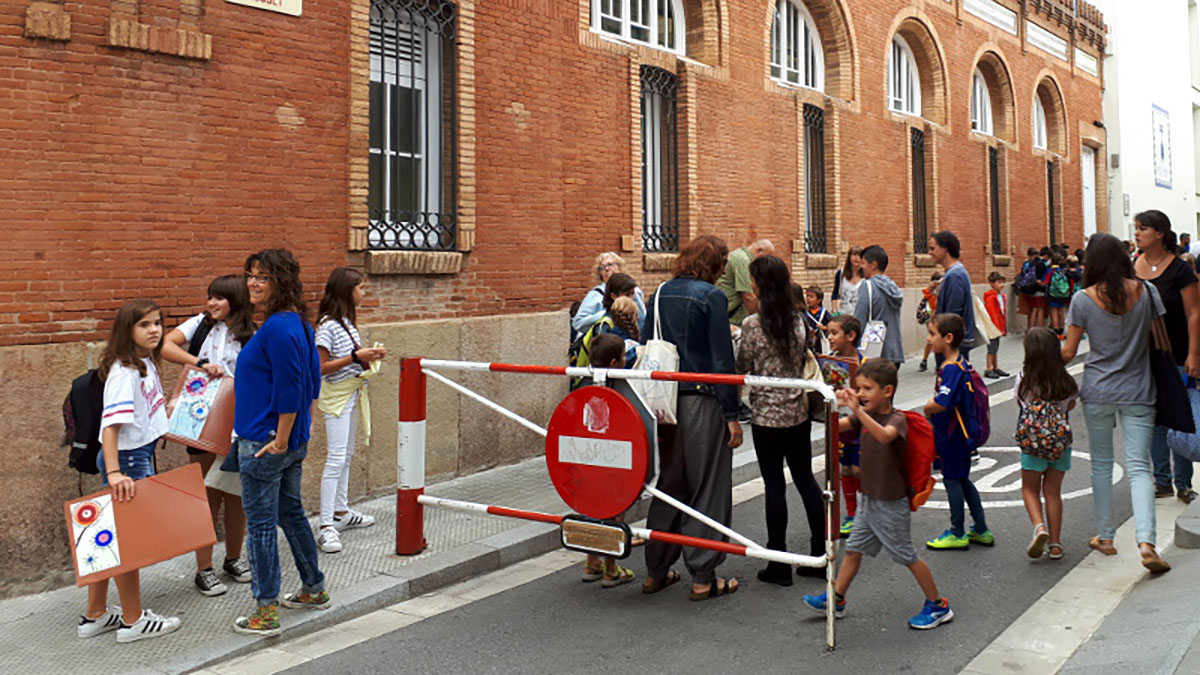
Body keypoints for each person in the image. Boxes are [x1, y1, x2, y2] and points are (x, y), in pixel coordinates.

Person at [802, 360, 954, 630]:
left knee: (907, 555)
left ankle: (938, 604)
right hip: (868, 500)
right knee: (853, 551)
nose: (860, 393)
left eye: (867, 389)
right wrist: (831, 402)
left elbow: (884, 436)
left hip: (890, 503)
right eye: (858, 388)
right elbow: (835, 425)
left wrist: (858, 411)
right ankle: (836, 599)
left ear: (887, 391)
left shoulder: (897, 419)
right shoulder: (863, 417)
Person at [1061, 233, 1170, 573]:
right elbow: (1162, 341)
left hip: (1098, 391)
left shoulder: (1082, 299)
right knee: (1139, 467)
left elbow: (1068, 352)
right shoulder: (1148, 292)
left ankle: (1106, 537)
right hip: (1139, 390)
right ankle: (1147, 542)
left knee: (1102, 465)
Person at [232, 249, 328, 635]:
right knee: (291, 514)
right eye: (250, 275)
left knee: (260, 527)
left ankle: (265, 611)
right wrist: (298, 432)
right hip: (285, 439)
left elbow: (293, 388)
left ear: (281, 282)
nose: (253, 283)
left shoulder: (279, 329)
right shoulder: (298, 325)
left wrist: (282, 439)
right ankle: (314, 588)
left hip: (266, 441)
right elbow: (312, 381)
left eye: (263, 277)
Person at [641, 235, 742, 601]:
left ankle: (655, 569)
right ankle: (702, 575)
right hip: (702, 401)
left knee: (670, 484)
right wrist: (732, 414)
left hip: (662, 401)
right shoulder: (711, 297)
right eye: (723, 263)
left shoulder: (661, 292)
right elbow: (721, 362)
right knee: (708, 486)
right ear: (713, 263)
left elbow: (644, 345)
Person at [78, 300, 182, 643]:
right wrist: (114, 473)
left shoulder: (144, 363)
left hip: (134, 456)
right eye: (144, 325)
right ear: (128, 331)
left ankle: (95, 615)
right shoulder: (126, 371)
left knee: (108, 538)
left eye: (157, 323)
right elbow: (111, 427)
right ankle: (133, 620)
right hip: (127, 461)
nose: (154, 330)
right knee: (128, 544)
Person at [161, 275, 255, 597]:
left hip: (238, 416)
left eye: (219, 298)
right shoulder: (199, 324)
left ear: (237, 301)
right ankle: (203, 568)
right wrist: (199, 363)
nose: (211, 303)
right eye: (210, 297)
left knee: (236, 494)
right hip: (200, 413)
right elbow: (166, 345)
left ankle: (233, 558)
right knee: (206, 493)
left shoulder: (252, 331)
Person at [735, 255, 825, 586]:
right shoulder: (799, 320)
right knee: (805, 479)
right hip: (797, 411)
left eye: (753, 279)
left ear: (761, 283)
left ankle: (779, 562)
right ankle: (819, 555)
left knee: (774, 484)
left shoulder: (752, 324)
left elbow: (742, 365)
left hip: (765, 416)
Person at [314, 267, 388, 554]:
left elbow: (346, 359)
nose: (364, 292)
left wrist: (365, 357)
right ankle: (325, 526)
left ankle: (341, 512)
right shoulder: (329, 326)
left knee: (346, 455)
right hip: (336, 397)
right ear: (347, 290)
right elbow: (319, 367)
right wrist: (357, 356)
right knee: (335, 458)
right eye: (360, 287)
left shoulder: (346, 323)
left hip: (352, 393)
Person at [1133, 210, 1200, 504]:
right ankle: (1161, 480)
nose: (1137, 233)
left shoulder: (1180, 270)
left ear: (1159, 233)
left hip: (1178, 354)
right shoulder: (1133, 266)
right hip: (1145, 356)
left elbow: (1194, 313)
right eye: (1136, 228)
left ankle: (1183, 482)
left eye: (1142, 229)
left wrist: (1195, 354)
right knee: (1154, 419)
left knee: (1179, 417)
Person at [924, 314, 994, 550]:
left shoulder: (951, 368)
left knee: (952, 481)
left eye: (933, 334)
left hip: (952, 436)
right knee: (963, 479)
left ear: (948, 338)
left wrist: (927, 407)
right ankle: (981, 528)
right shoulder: (962, 363)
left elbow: (943, 401)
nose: (929, 339)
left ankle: (957, 531)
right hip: (961, 435)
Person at [578, 333, 638, 588]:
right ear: (614, 363)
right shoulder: (619, 387)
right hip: (613, 461)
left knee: (591, 507)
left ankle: (592, 562)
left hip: (586, 460)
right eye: (624, 356)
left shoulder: (582, 383)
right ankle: (611, 569)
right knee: (615, 513)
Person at [1017, 327, 1078, 561]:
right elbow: (1070, 405)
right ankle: (1055, 544)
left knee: (1029, 488)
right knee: (1053, 492)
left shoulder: (1024, 380)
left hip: (1033, 444)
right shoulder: (1066, 381)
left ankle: (1039, 527)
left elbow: (1020, 405)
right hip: (1060, 444)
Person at [827, 314, 865, 535]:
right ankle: (852, 514)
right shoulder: (830, 362)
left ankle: (866, 513)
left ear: (851, 336)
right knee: (846, 469)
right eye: (829, 333)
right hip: (840, 424)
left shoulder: (865, 363)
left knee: (860, 469)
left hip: (862, 424)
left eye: (834, 333)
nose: (829, 338)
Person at [570, 273, 641, 386]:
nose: (631, 299)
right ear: (613, 296)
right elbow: (603, 359)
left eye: (633, 294)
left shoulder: (627, 321)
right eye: (627, 294)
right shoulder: (605, 325)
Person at [851, 245, 905, 369]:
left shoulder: (868, 286)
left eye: (863, 263)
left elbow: (859, 319)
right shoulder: (893, 287)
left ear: (873, 265)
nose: (861, 267)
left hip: (874, 352)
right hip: (894, 351)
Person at [571, 252, 646, 340]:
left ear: (620, 267)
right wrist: (609, 315)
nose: (606, 269)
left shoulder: (635, 291)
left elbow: (643, 319)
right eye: (602, 268)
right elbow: (578, 322)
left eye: (610, 264)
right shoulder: (596, 294)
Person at [929, 231, 975, 365]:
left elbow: (952, 315)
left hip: (952, 343)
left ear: (945, 249)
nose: (930, 253)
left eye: (933, 248)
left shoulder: (955, 276)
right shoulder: (953, 274)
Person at [715, 238, 775, 327]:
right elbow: (748, 296)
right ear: (759, 250)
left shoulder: (739, 256)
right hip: (730, 319)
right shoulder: (742, 260)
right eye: (765, 258)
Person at [983, 272, 1009, 379]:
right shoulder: (991, 297)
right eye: (999, 282)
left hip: (999, 325)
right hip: (993, 326)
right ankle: (989, 368)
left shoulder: (1001, 296)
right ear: (992, 283)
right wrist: (994, 327)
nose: (1002, 285)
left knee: (995, 348)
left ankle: (995, 367)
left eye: (1003, 282)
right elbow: (992, 313)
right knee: (991, 348)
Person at [1017, 247, 1048, 330]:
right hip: (1039, 289)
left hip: (1029, 289)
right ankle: (1040, 329)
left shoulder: (1027, 264)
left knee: (1032, 309)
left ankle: (1030, 328)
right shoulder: (1041, 264)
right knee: (1039, 309)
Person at [918, 271, 943, 373]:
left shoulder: (942, 289)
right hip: (931, 318)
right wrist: (931, 288)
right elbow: (926, 296)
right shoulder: (929, 292)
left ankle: (936, 363)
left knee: (937, 339)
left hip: (940, 317)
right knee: (931, 339)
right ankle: (924, 361)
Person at [831, 246, 865, 315]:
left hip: (860, 314)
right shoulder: (841, 274)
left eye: (859, 255)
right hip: (844, 313)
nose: (857, 258)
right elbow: (835, 293)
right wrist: (834, 310)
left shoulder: (866, 276)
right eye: (854, 255)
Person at [1044, 251, 1070, 338]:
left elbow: (1045, 282)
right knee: (1061, 311)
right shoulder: (1063, 271)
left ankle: (1056, 331)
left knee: (1054, 311)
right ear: (1060, 261)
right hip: (1063, 293)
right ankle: (1062, 331)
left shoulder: (1050, 271)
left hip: (1053, 294)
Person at [804, 285, 832, 350]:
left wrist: (824, 327)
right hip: (808, 341)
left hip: (819, 343)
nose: (808, 299)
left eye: (811, 297)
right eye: (807, 296)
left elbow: (832, 326)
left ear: (819, 300)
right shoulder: (805, 312)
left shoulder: (824, 313)